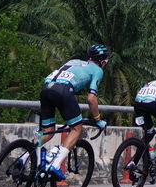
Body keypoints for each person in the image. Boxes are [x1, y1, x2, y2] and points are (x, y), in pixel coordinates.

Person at [39, 45, 110, 179]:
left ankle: (26, 155)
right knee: (77, 129)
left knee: (47, 132)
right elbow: (91, 99)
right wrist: (98, 119)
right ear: (102, 61)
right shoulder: (98, 70)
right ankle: (55, 165)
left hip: (46, 88)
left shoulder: (74, 61)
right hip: (63, 90)